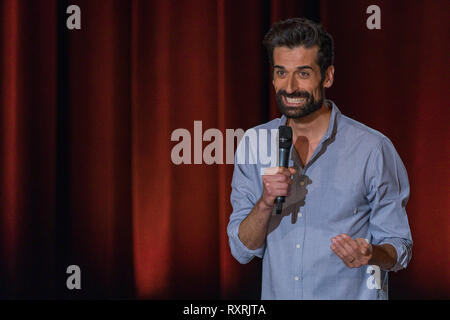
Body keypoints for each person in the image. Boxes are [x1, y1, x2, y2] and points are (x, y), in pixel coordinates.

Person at [227, 18, 412, 300]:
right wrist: (265, 203)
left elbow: (399, 248)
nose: (289, 87)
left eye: (303, 74)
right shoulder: (254, 143)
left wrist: (370, 253)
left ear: (327, 76)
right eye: (281, 73)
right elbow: (242, 250)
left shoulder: (373, 149)